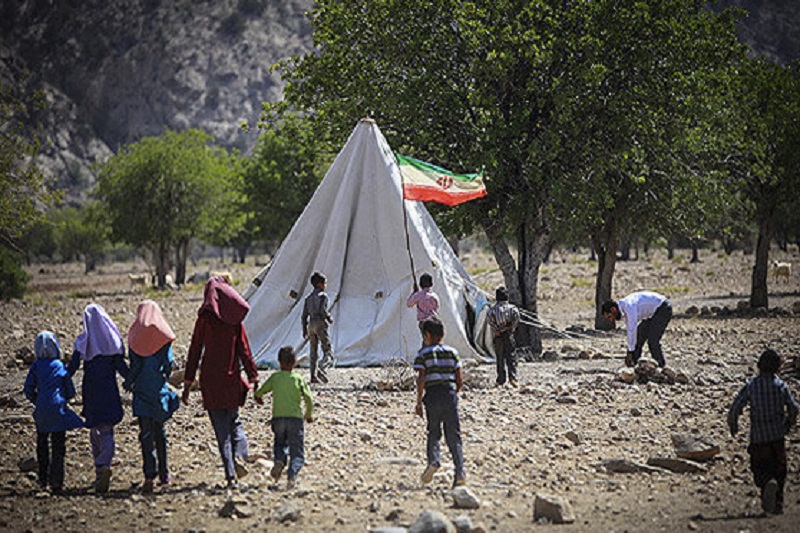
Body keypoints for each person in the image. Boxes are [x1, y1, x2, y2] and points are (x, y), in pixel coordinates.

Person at [183, 276, 259, 488]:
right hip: (231, 377)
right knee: (234, 421)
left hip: (210, 380)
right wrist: (253, 377)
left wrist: (188, 383)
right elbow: (244, 350)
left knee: (221, 430)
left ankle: (230, 474)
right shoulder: (234, 321)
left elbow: (195, 351)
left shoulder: (204, 320)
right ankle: (241, 456)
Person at [727, 349, 798, 514]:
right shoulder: (781, 386)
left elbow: (736, 407)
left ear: (759, 365)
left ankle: (766, 483)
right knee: (780, 470)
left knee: (759, 468)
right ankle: (778, 505)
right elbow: (794, 408)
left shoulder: (752, 386)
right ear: (777, 367)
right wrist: (788, 424)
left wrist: (733, 424)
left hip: (758, 437)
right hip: (777, 437)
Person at [68, 303, 129, 493]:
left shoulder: (83, 341)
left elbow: (72, 367)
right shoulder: (113, 341)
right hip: (109, 390)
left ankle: (98, 468)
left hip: (91, 391)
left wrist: (58, 381)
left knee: (93, 429)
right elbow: (122, 368)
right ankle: (104, 464)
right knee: (108, 430)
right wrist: (134, 381)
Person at [123, 300, 180, 494]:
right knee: (160, 433)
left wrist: (128, 382)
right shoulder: (163, 336)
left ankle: (149, 475)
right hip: (157, 391)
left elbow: (135, 366)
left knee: (145, 435)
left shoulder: (135, 336)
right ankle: (164, 476)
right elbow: (168, 365)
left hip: (141, 392)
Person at [24, 332, 84, 494]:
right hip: (58, 408)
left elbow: (28, 389)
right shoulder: (59, 365)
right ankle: (57, 483)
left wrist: (37, 400)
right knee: (58, 446)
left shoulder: (36, 366)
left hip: (42, 408)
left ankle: (43, 480)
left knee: (42, 443)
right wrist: (65, 398)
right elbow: (70, 390)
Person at [413, 319, 466, 487]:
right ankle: (460, 473)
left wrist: (419, 401)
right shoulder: (452, 352)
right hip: (449, 395)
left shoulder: (423, 354)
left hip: (432, 395)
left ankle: (434, 461)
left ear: (427, 335)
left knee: (433, 432)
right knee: (454, 436)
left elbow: (421, 378)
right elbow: (459, 378)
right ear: (443, 334)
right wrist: (454, 393)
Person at [254, 346, 314, 489]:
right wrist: (309, 414)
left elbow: (261, 391)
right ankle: (292, 475)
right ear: (294, 362)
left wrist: (258, 396)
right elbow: (308, 398)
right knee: (296, 448)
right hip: (295, 420)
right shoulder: (298, 379)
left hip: (278, 418)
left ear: (279, 362)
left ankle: (280, 461)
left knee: (280, 443)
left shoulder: (275, 377)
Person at [601, 291, 672, 368]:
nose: (611, 320)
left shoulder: (629, 306)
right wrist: (630, 351)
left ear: (613, 309)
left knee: (652, 341)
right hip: (651, 315)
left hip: (662, 308)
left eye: (609, 316)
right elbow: (630, 333)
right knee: (638, 338)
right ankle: (633, 366)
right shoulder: (623, 311)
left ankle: (662, 367)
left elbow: (632, 329)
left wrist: (630, 352)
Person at [301, 271, 334, 384]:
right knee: (327, 350)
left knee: (313, 352)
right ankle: (322, 367)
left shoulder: (308, 298)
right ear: (320, 284)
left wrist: (304, 330)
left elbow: (304, 316)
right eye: (324, 283)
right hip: (320, 322)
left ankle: (312, 376)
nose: (325, 286)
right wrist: (329, 318)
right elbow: (323, 311)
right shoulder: (323, 296)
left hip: (311, 324)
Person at [487, 286, 521, 387]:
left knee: (500, 357)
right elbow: (516, 318)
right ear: (507, 297)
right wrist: (511, 328)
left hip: (498, 335)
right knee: (511, 356)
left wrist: (496, 329)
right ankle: (513, 378)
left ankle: (500, 379)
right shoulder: (512, 309)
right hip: (508, 334)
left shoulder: (492, 310)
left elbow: (489, 321)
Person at [406, 273, 440, 345]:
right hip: (434, 320)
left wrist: (414, 293)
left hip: (424, 322)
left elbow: (409, 304)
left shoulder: (418, 295)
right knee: (433, 339)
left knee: (426, 339)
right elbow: (437, 307)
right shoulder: (434, 296)